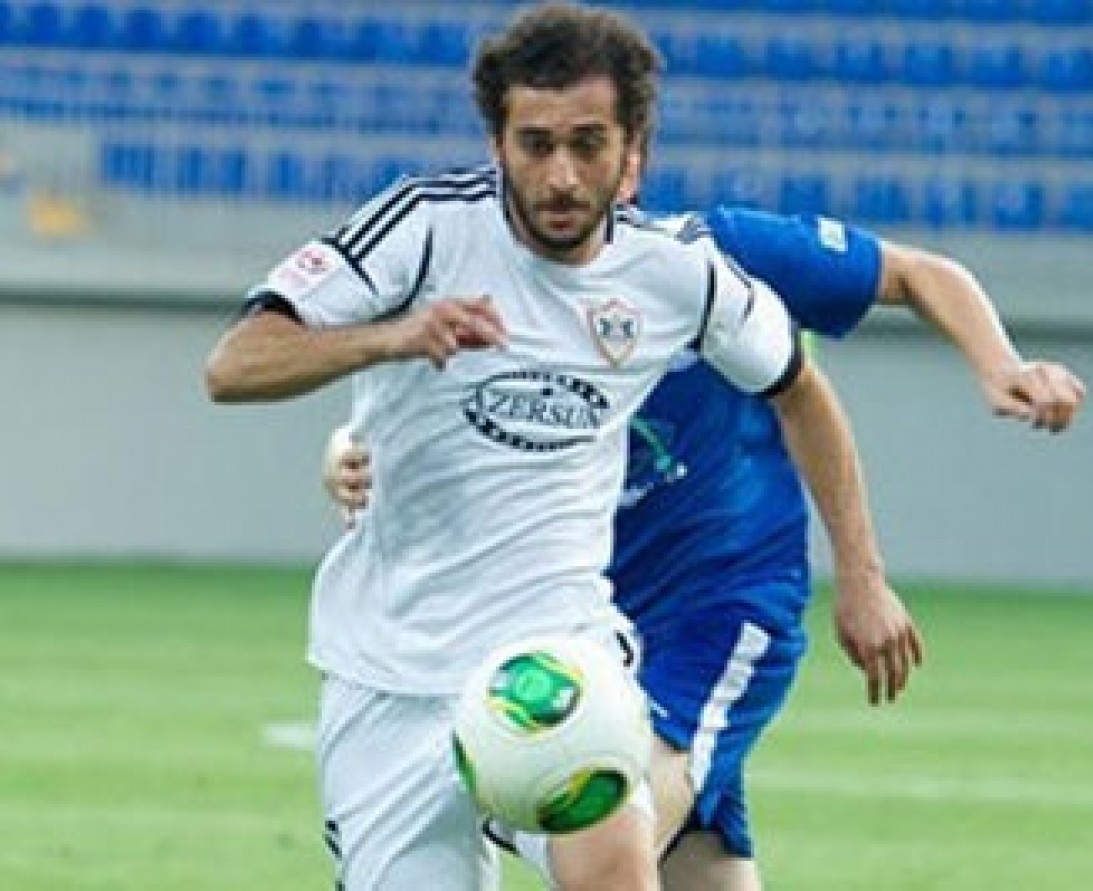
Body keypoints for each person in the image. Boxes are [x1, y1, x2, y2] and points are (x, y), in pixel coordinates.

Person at [204, 4, 901, 889]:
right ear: (497, 144)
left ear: (632, 149)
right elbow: (234, 364)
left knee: (612, 874)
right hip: (388, 675)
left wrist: (862, 575)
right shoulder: (424, 227)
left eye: (587, 143)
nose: (561, 175)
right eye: (535, 145)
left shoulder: (677, 273)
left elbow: (799, 387)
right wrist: (392, 336)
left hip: (558, 657)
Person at [324, 197, 1086, 885]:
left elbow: (921, 274)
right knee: (698, 872)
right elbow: (426, 424)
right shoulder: (503, 295)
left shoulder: (717, 260)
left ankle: (502, 793)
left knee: (597, 852)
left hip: (721, 611)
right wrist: (347, 454)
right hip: (593, 627)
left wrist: (1002, 367)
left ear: (630, 163)